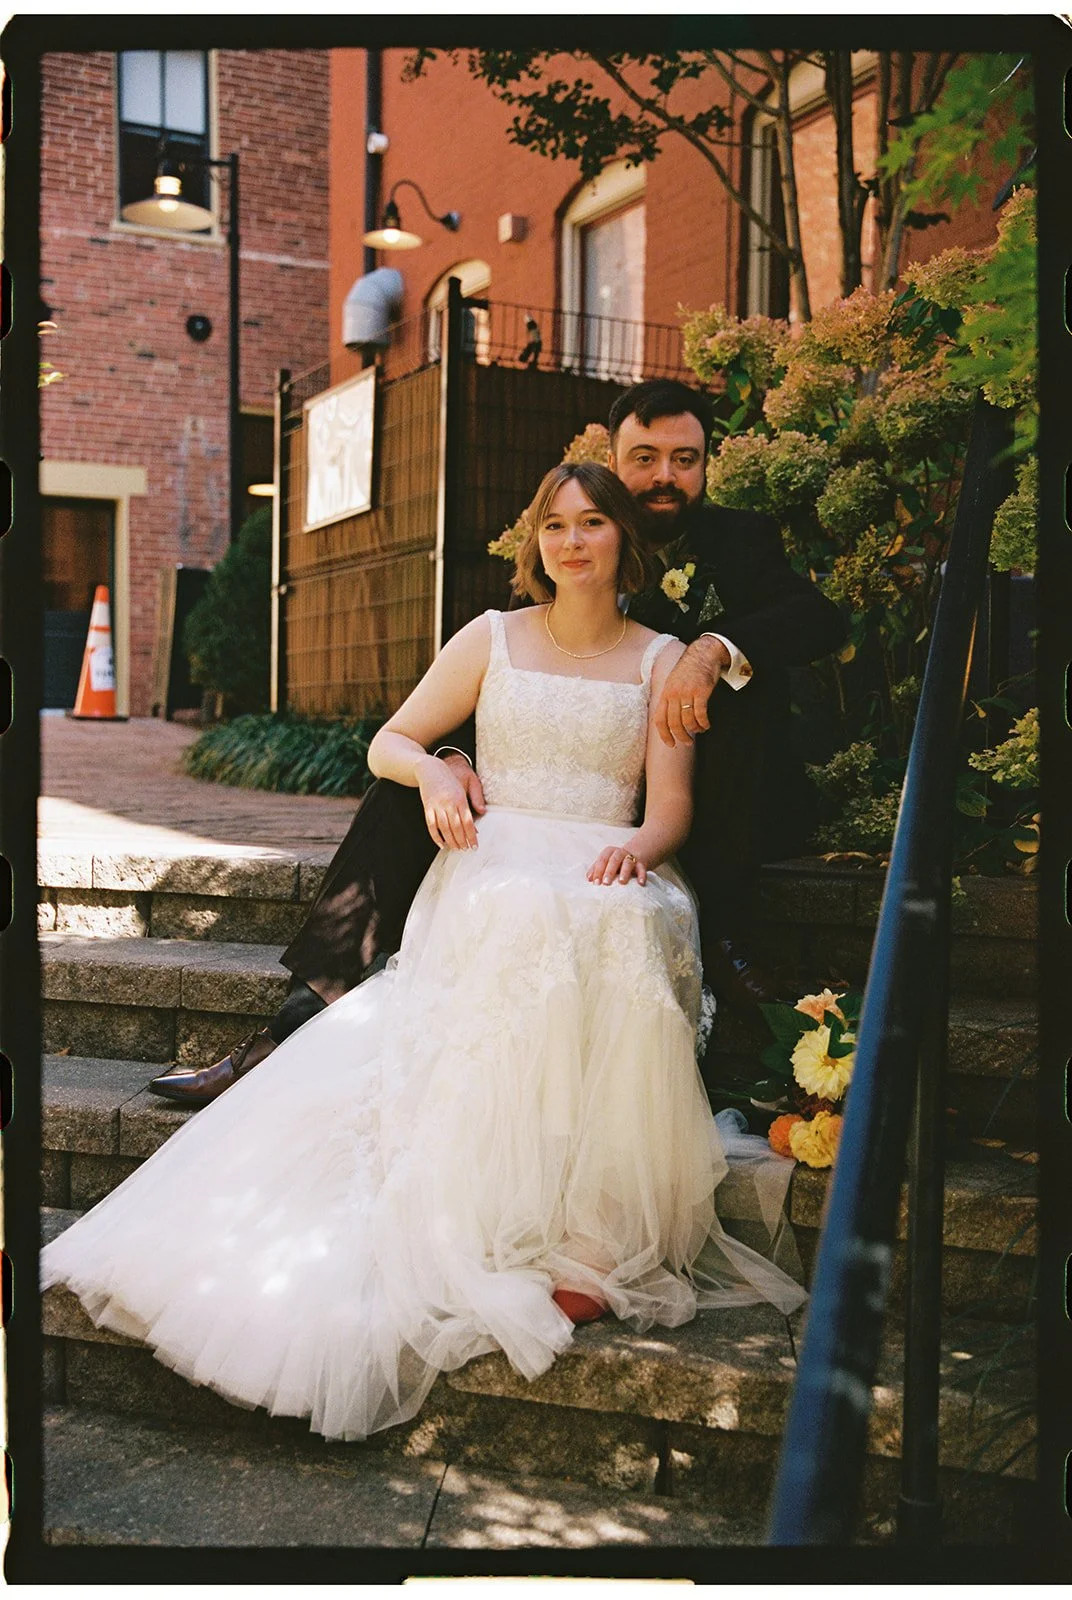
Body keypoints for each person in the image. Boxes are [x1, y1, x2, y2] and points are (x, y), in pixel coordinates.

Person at [43, 463, 806, 1443]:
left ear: (625, 540)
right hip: (493, 855)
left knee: (615, 919)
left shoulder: (661, 658)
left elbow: (671, 811)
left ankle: (589, 1233)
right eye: (553, 527)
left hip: (607, 857)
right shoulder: (489, 637)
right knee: (523, 911)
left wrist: (637, 850)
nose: (571, 543)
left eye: (592, 525)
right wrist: (439, 777)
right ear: (535, 543)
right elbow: (391, 740)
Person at [150, 379, 845, 1107]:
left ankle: (724, 934)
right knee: (401, 791)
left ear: (707, 464)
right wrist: (444, 764)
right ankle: (295, 1023)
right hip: (548, 792)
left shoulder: (738, 540)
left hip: (689, 791)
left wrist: (710, 651)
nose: (665, 476)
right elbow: (514, 694)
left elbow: (814, 619)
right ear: (610, 458)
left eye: (685, 458)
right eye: (645, 458)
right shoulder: (555, 563)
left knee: (741, 684)